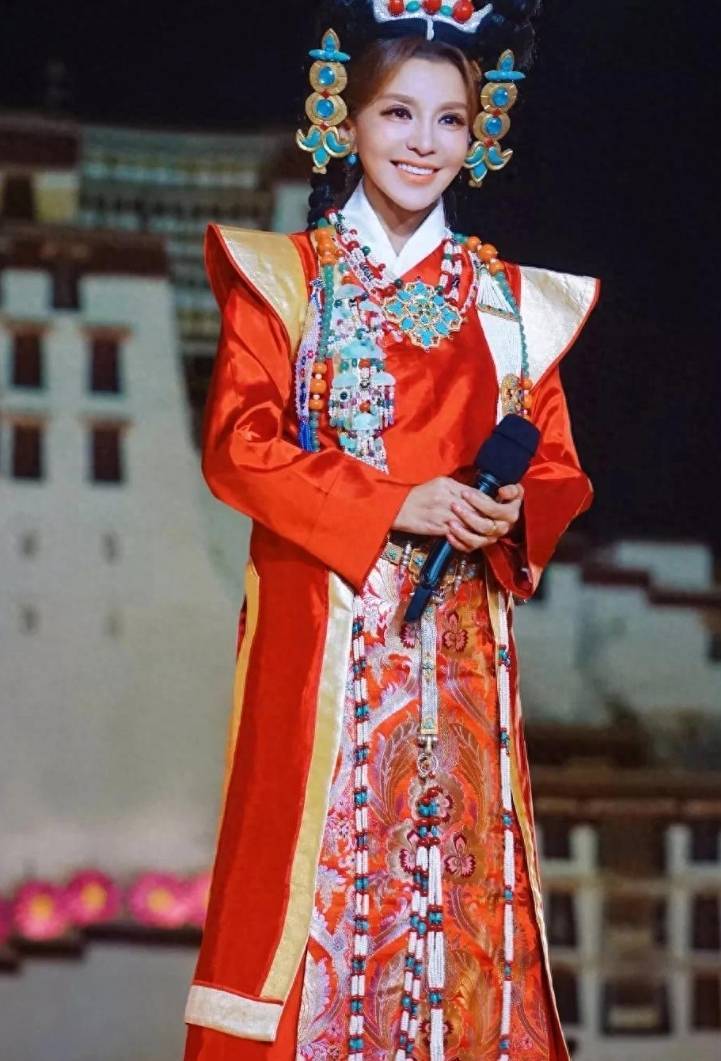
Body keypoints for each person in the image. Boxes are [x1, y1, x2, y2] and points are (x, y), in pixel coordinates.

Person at [184, 2, 599, 1058]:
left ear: (479, 134)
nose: (423, 142)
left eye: (448, 119)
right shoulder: (287, 281)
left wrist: (509, 508)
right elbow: (238, 447)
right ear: (346, 119)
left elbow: (555, 467)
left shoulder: (511, 305)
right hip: (325, 659)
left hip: (461, 668)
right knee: (311, 901)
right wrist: (392, 501)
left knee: (458, 910)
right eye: (397, 113)